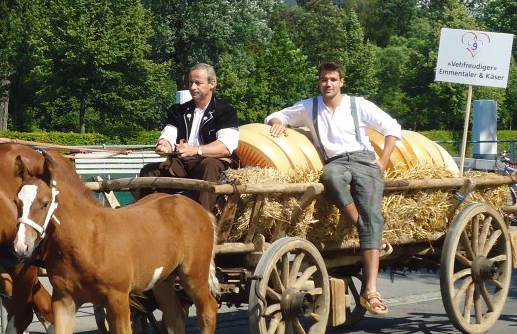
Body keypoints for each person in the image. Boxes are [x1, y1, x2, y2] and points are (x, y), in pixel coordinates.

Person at [264, 61, 402, 316]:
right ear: (319, 82)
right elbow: (278, 115)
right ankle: (363, 226)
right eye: (324, 80)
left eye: (333, 80)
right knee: (330, 177)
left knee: (373, 215)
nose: (328, 84)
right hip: (336, 162)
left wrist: (383, 160)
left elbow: (392, 127)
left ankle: (370, 291)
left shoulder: (358, 105)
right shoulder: (310, 106)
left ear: (341, 82)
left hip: (363, 159)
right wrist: (277, 121)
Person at [139, 63, 239, 213]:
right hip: (182, 163)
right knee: (149, 172)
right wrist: (164, 145)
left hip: (211, 164)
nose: (192, 87)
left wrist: (196, 150)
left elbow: (225, 147)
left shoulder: (225, 112)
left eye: (198, 83)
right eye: (190, 82)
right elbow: (169, 134)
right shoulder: (178, 110)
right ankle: (149, 218)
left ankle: (202, 220)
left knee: (210, 165)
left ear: (212, 84)